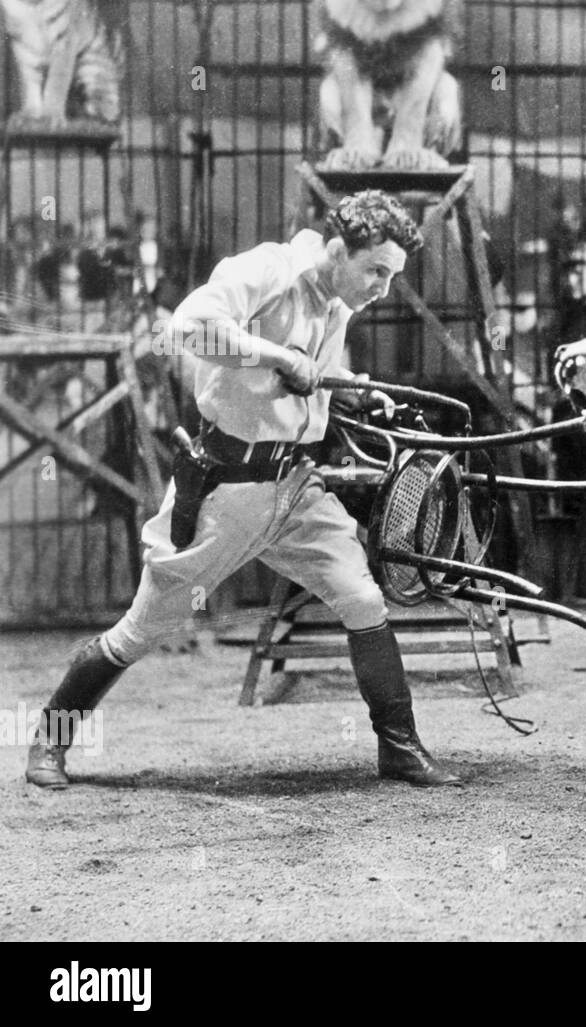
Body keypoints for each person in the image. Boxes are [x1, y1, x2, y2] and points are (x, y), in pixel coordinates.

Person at [27, 190, 462, 789]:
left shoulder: (336, 300)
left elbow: (306, 385)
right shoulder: (267, 270)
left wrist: (353, 388)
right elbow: (189, 327)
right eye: (376, 271)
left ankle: (401, 749)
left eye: (391, 275)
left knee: (362, 600)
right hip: (226, 492)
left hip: (296, 488)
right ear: (339, 249)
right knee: (140, 630)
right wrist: (274, 354)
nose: (382, 289)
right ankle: (48, 742)